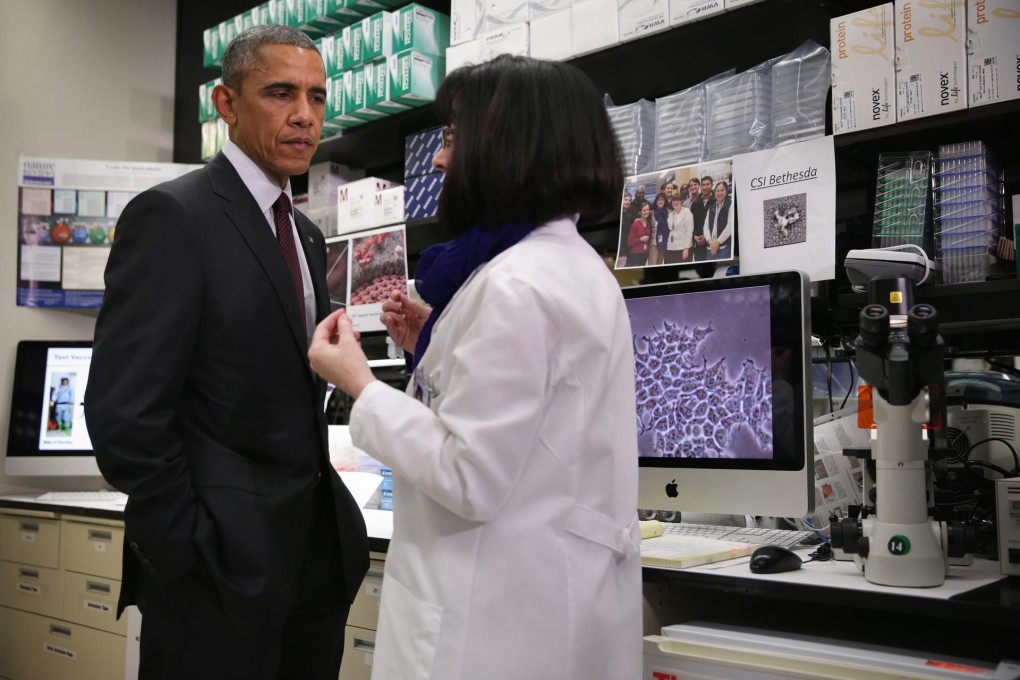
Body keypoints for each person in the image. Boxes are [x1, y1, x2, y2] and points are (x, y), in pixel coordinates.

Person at [307, 54, 641, 680]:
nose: (439, 160)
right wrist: (427, 355)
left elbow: (469, 474)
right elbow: (536, 426)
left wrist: (360, 383)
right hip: (547, 600)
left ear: (509, 143)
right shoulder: (573, 267)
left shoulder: (515, 284)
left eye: (453, 139)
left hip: (494, 622)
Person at [84, 25, 368, 680]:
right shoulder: (173, 216)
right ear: (227, 103)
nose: (304, 115)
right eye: (280, 93)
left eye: (318, 97)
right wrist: (188, 550)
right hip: (215, 573)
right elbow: (125, 416)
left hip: (311, 566)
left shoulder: (303, 232)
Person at [703, 180, 735, 261]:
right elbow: (705, 227)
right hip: (710, 248)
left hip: (724, 248)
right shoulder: (711, 207)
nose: (719, 193)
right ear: (714, 193)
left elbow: (730, 226)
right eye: (717, 191)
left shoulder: (730, 204)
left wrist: (718, 242)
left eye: (722, 190)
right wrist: (710, 241)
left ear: (727, 191)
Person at [689, 175, 715, 261]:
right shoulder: (695, 203)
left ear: (712, 185)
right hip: (699, 242)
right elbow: (691, 223)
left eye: (708, 184)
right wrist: (695, 236)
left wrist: (707, 237)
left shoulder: (716, 201)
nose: (705, 187)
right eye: (703, 185)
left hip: (713, 241)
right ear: (700, 187)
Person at [665, 195, 694, 263]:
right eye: (674, 200)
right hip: (670, 247)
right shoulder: (670, 214)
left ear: (681, 202)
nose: (675, 202)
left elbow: (689, 231)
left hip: (682, 247)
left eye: (677, 200)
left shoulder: (686, 212)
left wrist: (686, 249)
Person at [627, 199, 653, 266]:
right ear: (640, 212)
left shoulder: (649, 223)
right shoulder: (635, 224)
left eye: (647, 209)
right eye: (644, 210)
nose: (646, 212)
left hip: (645, 254)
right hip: (635, 254)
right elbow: (629, 242)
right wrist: (640, 239)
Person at [650, 191, 670, 265]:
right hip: (654, 243)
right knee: (653, 264)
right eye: (659, 200)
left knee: (659, 263)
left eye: (662, 199)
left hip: (664, 243)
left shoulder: (669, 212)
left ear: (665, 201)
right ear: (656, 201)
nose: (660, 201)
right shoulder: (651, 213)